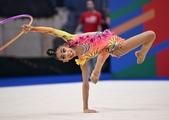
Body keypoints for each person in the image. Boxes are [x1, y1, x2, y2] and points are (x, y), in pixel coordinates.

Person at [22, 24, 156, 113]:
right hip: (114, 47)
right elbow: (85, 84)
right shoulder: (82, 60)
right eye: (64, 56)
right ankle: (96, 71)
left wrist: (32, 28)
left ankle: (140, 54)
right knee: (149, 35)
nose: (66, 53)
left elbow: (51, 31)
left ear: (65, 45)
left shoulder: (71, 38)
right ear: (66, 60)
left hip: (110, 40)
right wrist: (85, 107)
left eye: (64, 50)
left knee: (151, 35)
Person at [75, 0, 102, 78]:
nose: (89, 5)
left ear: (93, 5)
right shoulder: (84, 15)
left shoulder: (98, 14)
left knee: (94, 56)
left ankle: (94, 74)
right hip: (86, 39)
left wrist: (99, 35)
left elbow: (99, 26)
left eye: (90, 4)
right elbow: (80, 24)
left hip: (94, 39)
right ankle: (87, 75)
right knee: (86, 56)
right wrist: (75, 33)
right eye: (88, 4)